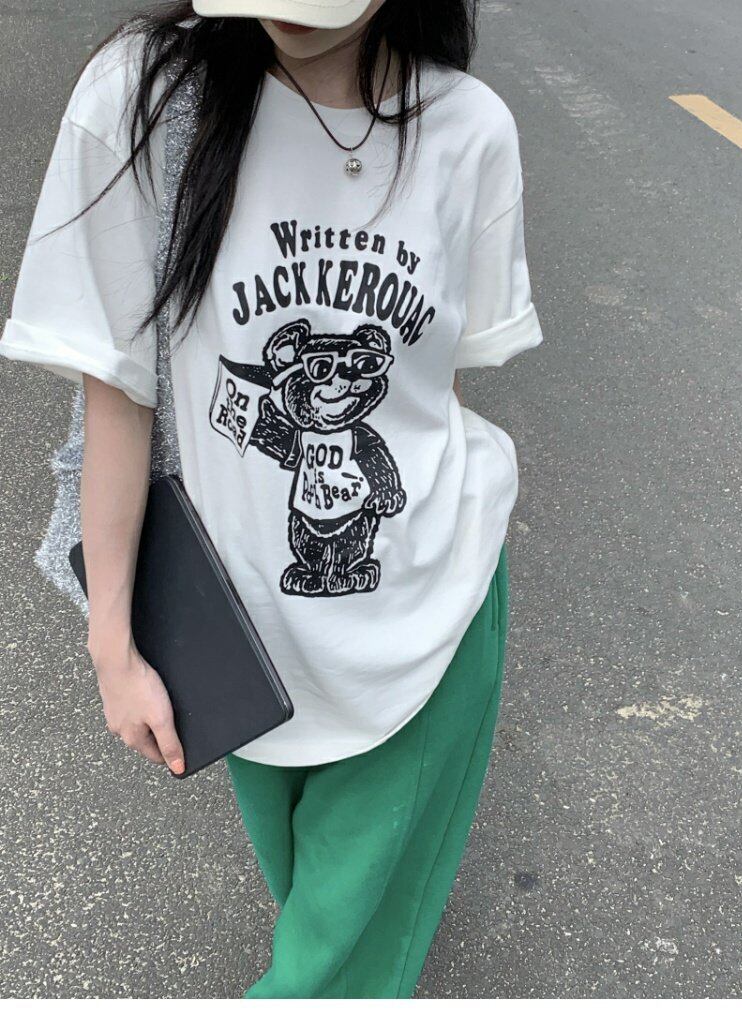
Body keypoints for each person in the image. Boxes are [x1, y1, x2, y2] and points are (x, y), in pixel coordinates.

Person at [0, 0, 543, 999]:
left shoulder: (469, 131)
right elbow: (118, 389)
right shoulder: (145, 99)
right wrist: (112, 642)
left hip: (427, 628)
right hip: (242, 643)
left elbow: (437, 391)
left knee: (331, 978)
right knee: (318, 910)